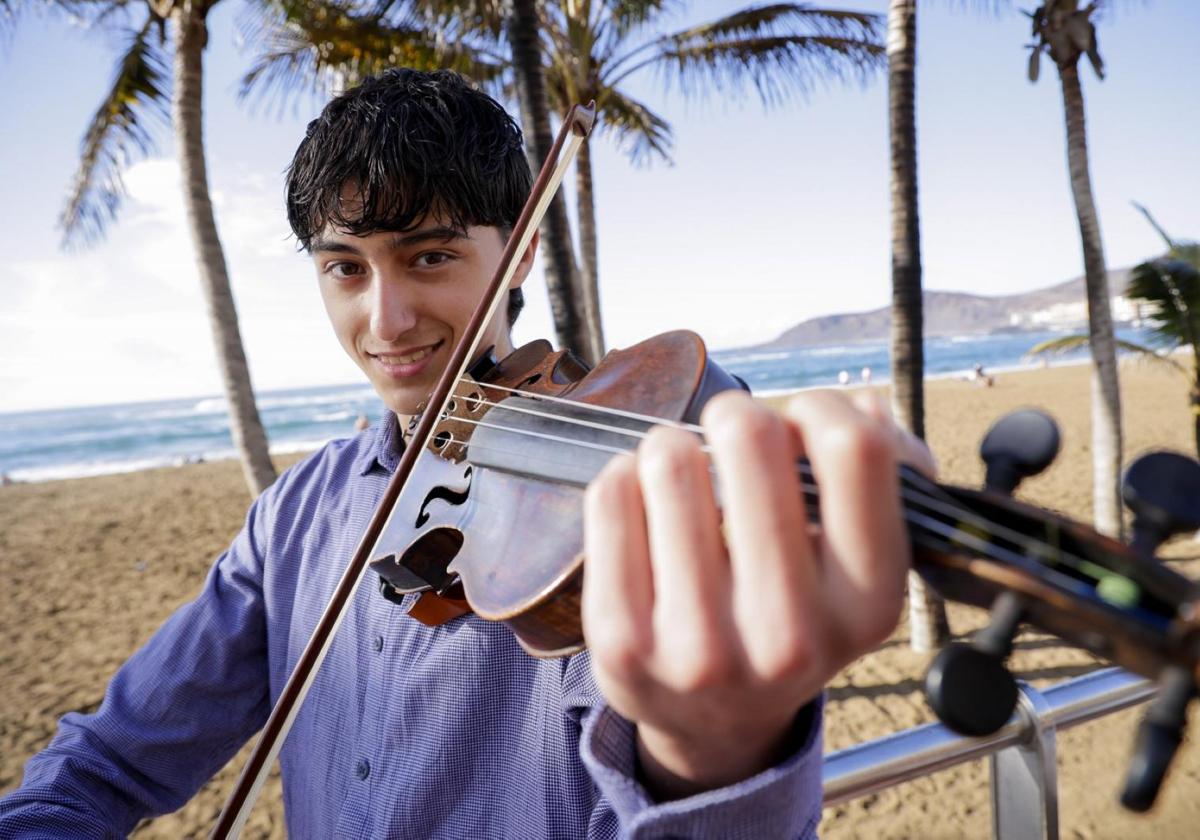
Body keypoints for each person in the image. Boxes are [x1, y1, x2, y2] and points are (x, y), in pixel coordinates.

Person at [0, 69, 928, 837]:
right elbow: (109, 761)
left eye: (430, 257)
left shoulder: (630, 482)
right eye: (347, 268)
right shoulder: (295, 516)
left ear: (517, 253)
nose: (386, 319)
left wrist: (710, 756)